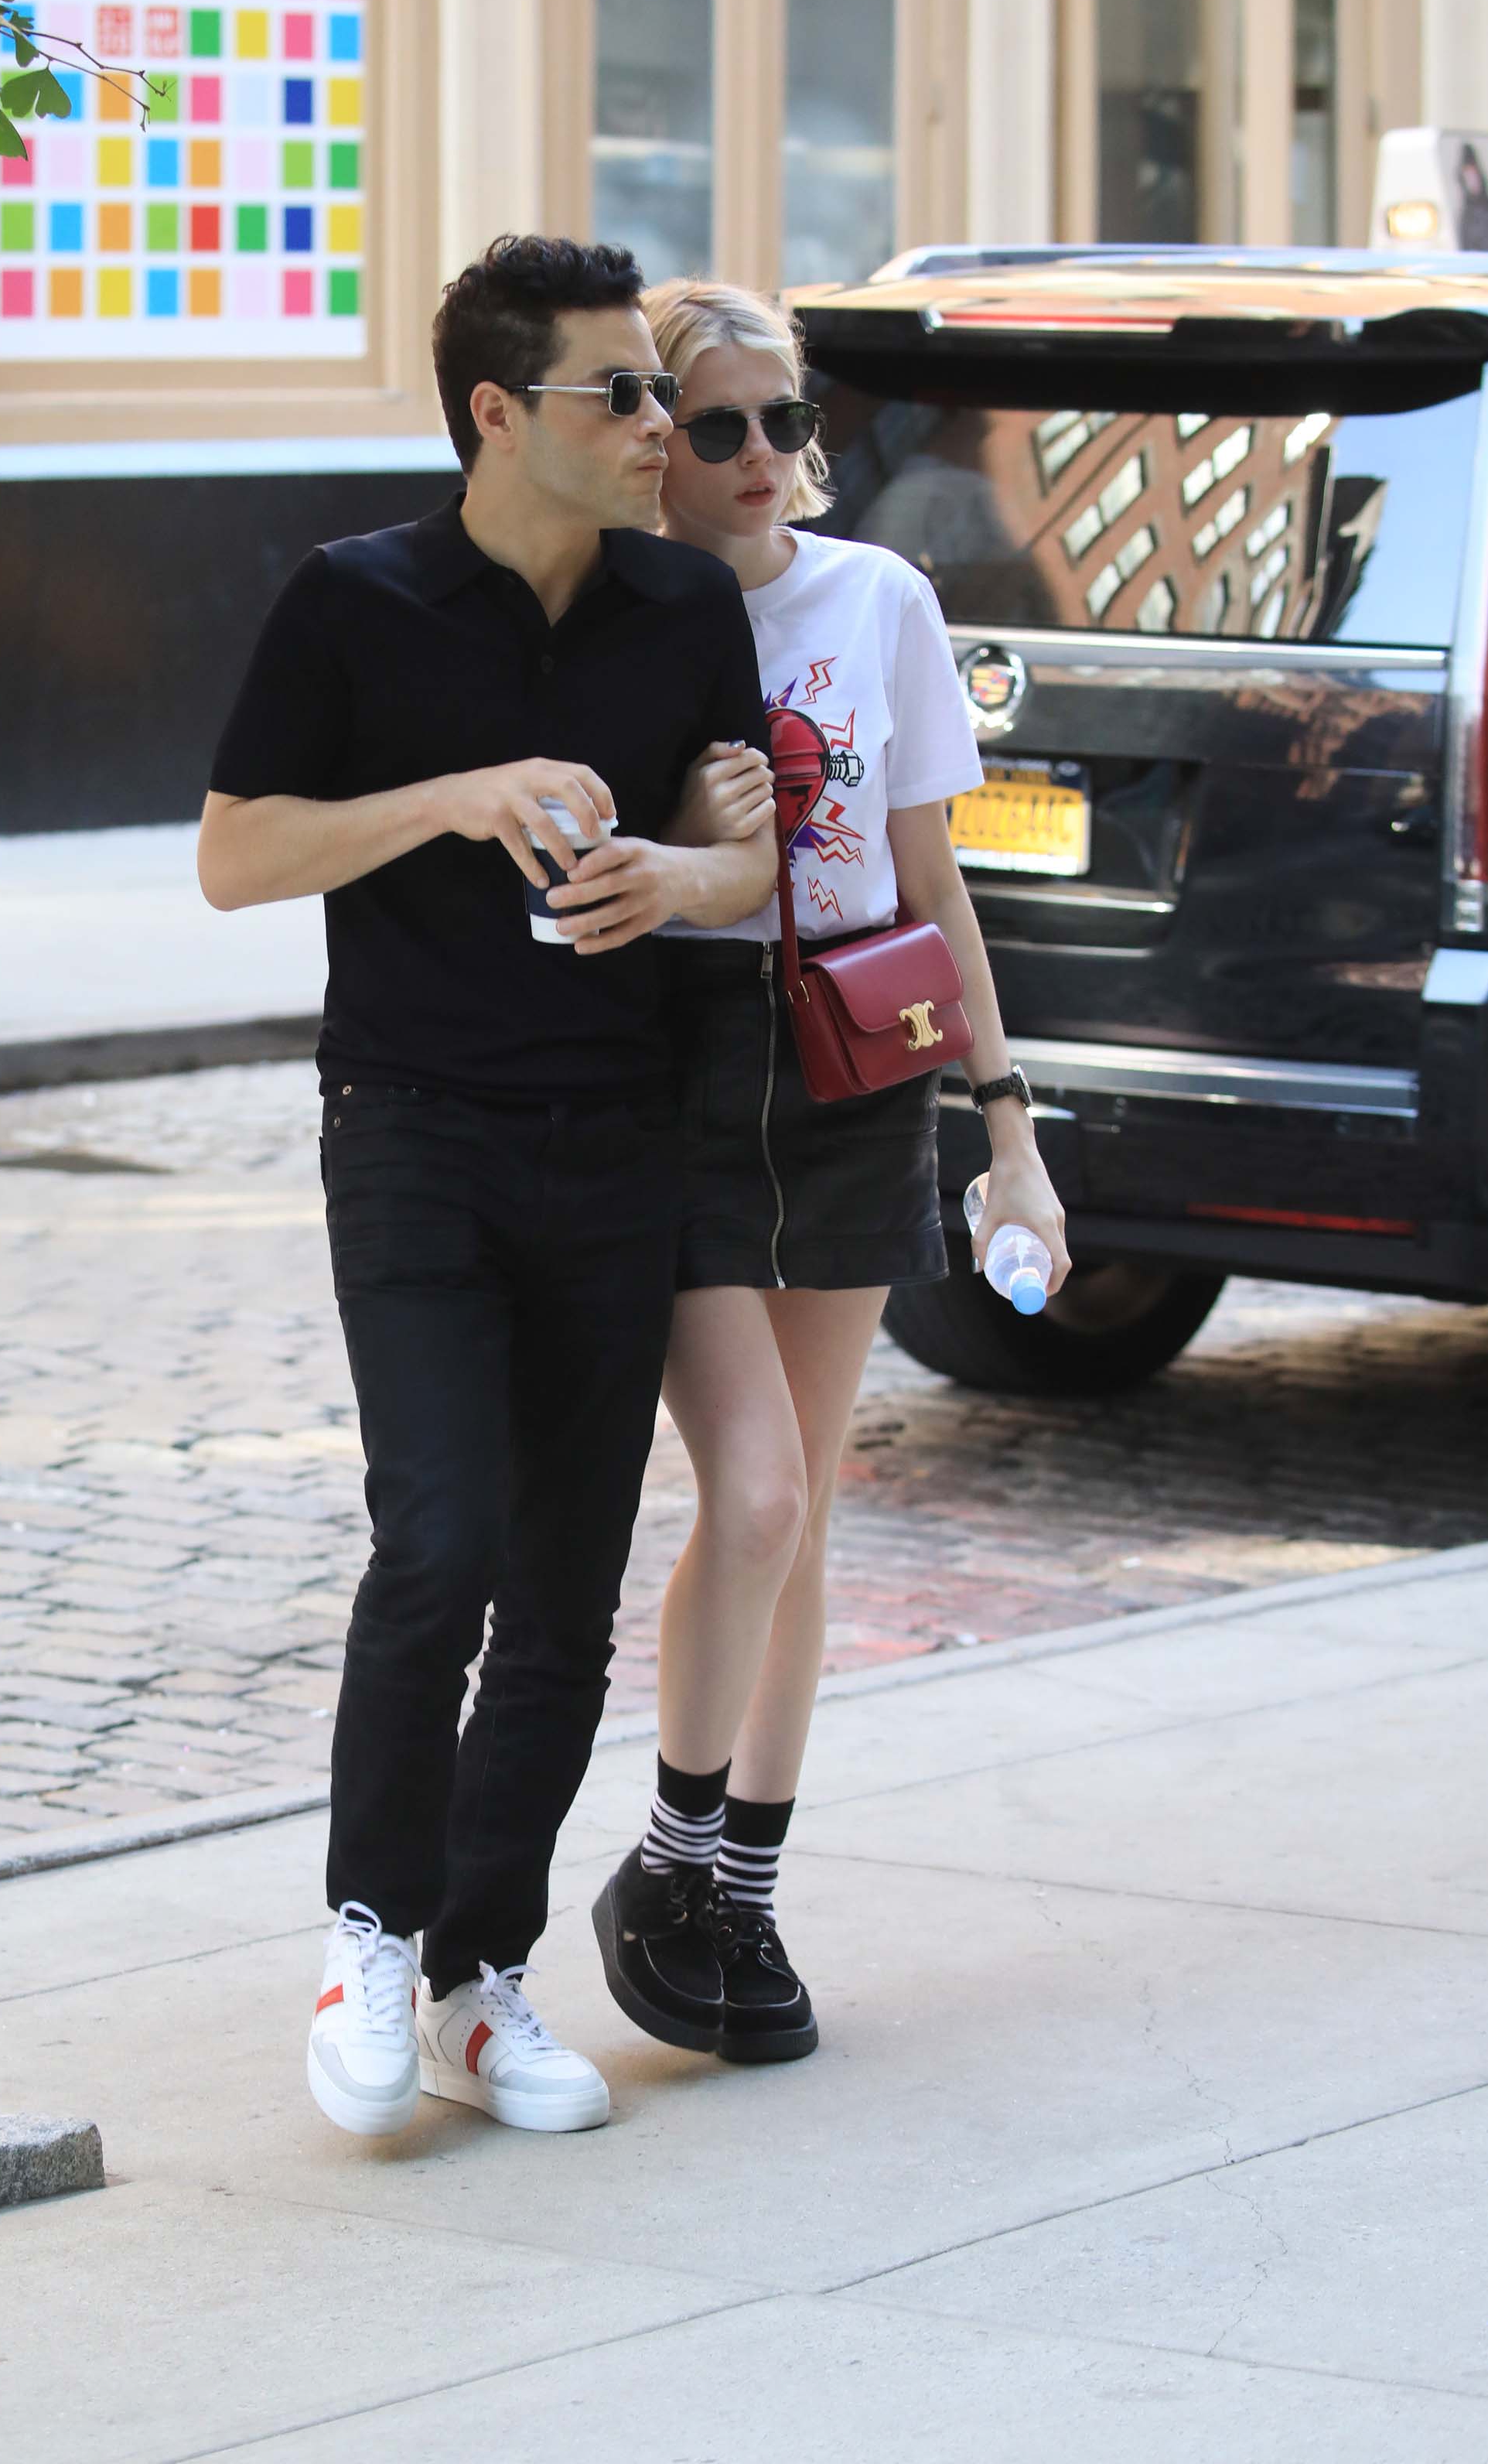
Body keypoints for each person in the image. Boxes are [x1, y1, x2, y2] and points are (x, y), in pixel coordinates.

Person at [198, 238, 776, 2139]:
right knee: (436, 1539)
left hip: (616, 1136)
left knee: (561, 1594)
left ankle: (474, 1975)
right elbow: (234, 858)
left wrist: (677, 882)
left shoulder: (687, 605)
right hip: (415, 1124)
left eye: (658, 396)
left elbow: (742, 862)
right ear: (496, 414)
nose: (660, 428)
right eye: (620, 396)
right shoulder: (350, 603)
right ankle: (371, 1931)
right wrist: (451, 795)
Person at [591, 280, 1070, 2065]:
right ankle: (662, 1859)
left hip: (861, 1067)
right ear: (656, 443)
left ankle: (743, 1891)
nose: (759, 462)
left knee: (807, 1519)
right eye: (714, 428)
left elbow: (933, 879)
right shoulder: (620, 607)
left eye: (785, 423)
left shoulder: (879, 598)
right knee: (762, 1494)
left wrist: (1010, 1132)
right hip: (685, 1072)